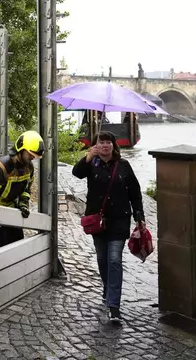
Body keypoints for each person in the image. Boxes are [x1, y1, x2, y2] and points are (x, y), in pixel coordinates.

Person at [72, 130, 145, 323]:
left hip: (120, 219)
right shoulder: (92, 164)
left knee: (114, 259)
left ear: (114, 145)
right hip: (98, 222)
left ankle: (114, 306)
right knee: (102, 259)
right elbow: (76, 173)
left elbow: (135, 192)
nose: (105, 146)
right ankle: (107, 286)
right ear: (96, 145)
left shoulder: (123, 166)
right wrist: (87, 156)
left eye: (108, 142)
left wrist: (139, 215)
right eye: (101, 142)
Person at [0, 130, 45, 251]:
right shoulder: (2, 167)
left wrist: (23, 204)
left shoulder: (29, 168)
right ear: (21, 149)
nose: (32, 158)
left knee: (16, 249)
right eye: (30, 154)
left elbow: (26, 189)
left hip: (12, 211)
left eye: (34, 156)